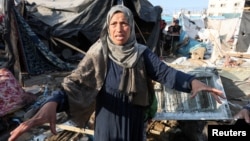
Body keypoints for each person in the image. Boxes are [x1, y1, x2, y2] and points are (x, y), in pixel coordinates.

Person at [8, 5, 226, 141]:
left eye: (124, 23)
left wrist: (192, 82)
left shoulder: (142, 54)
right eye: (114, 23)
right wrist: (54, 102)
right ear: (108, 27)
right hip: (107, 122)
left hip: (133, 121)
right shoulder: (98, 53)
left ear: (130, 27)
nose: (119, 28)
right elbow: (75, 83)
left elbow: (166, 73)